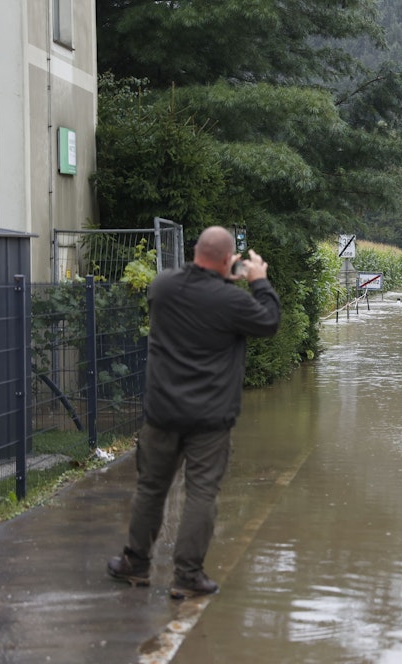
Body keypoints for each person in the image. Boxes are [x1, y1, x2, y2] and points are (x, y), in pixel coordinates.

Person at [107, 226, 281, 599]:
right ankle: (187, 576)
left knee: (151, 489)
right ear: (226, 260)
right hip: (210, 418)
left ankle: (135, 564)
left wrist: (219, 272)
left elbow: (193, 288)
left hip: (162, 412)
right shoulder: (232, 302)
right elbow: (269, 321)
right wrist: (258, 281)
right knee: (201, 493)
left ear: (195, 251)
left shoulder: (164, 286)